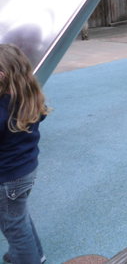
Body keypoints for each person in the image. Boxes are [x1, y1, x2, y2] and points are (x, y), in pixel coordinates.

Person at [0, 44, 48, 264]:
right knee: (19, 217)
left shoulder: (3, 107)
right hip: (26, 170)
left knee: (14, 227)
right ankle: (34, 254)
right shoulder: (29, 96)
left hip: (7, 178)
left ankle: (28, 257)